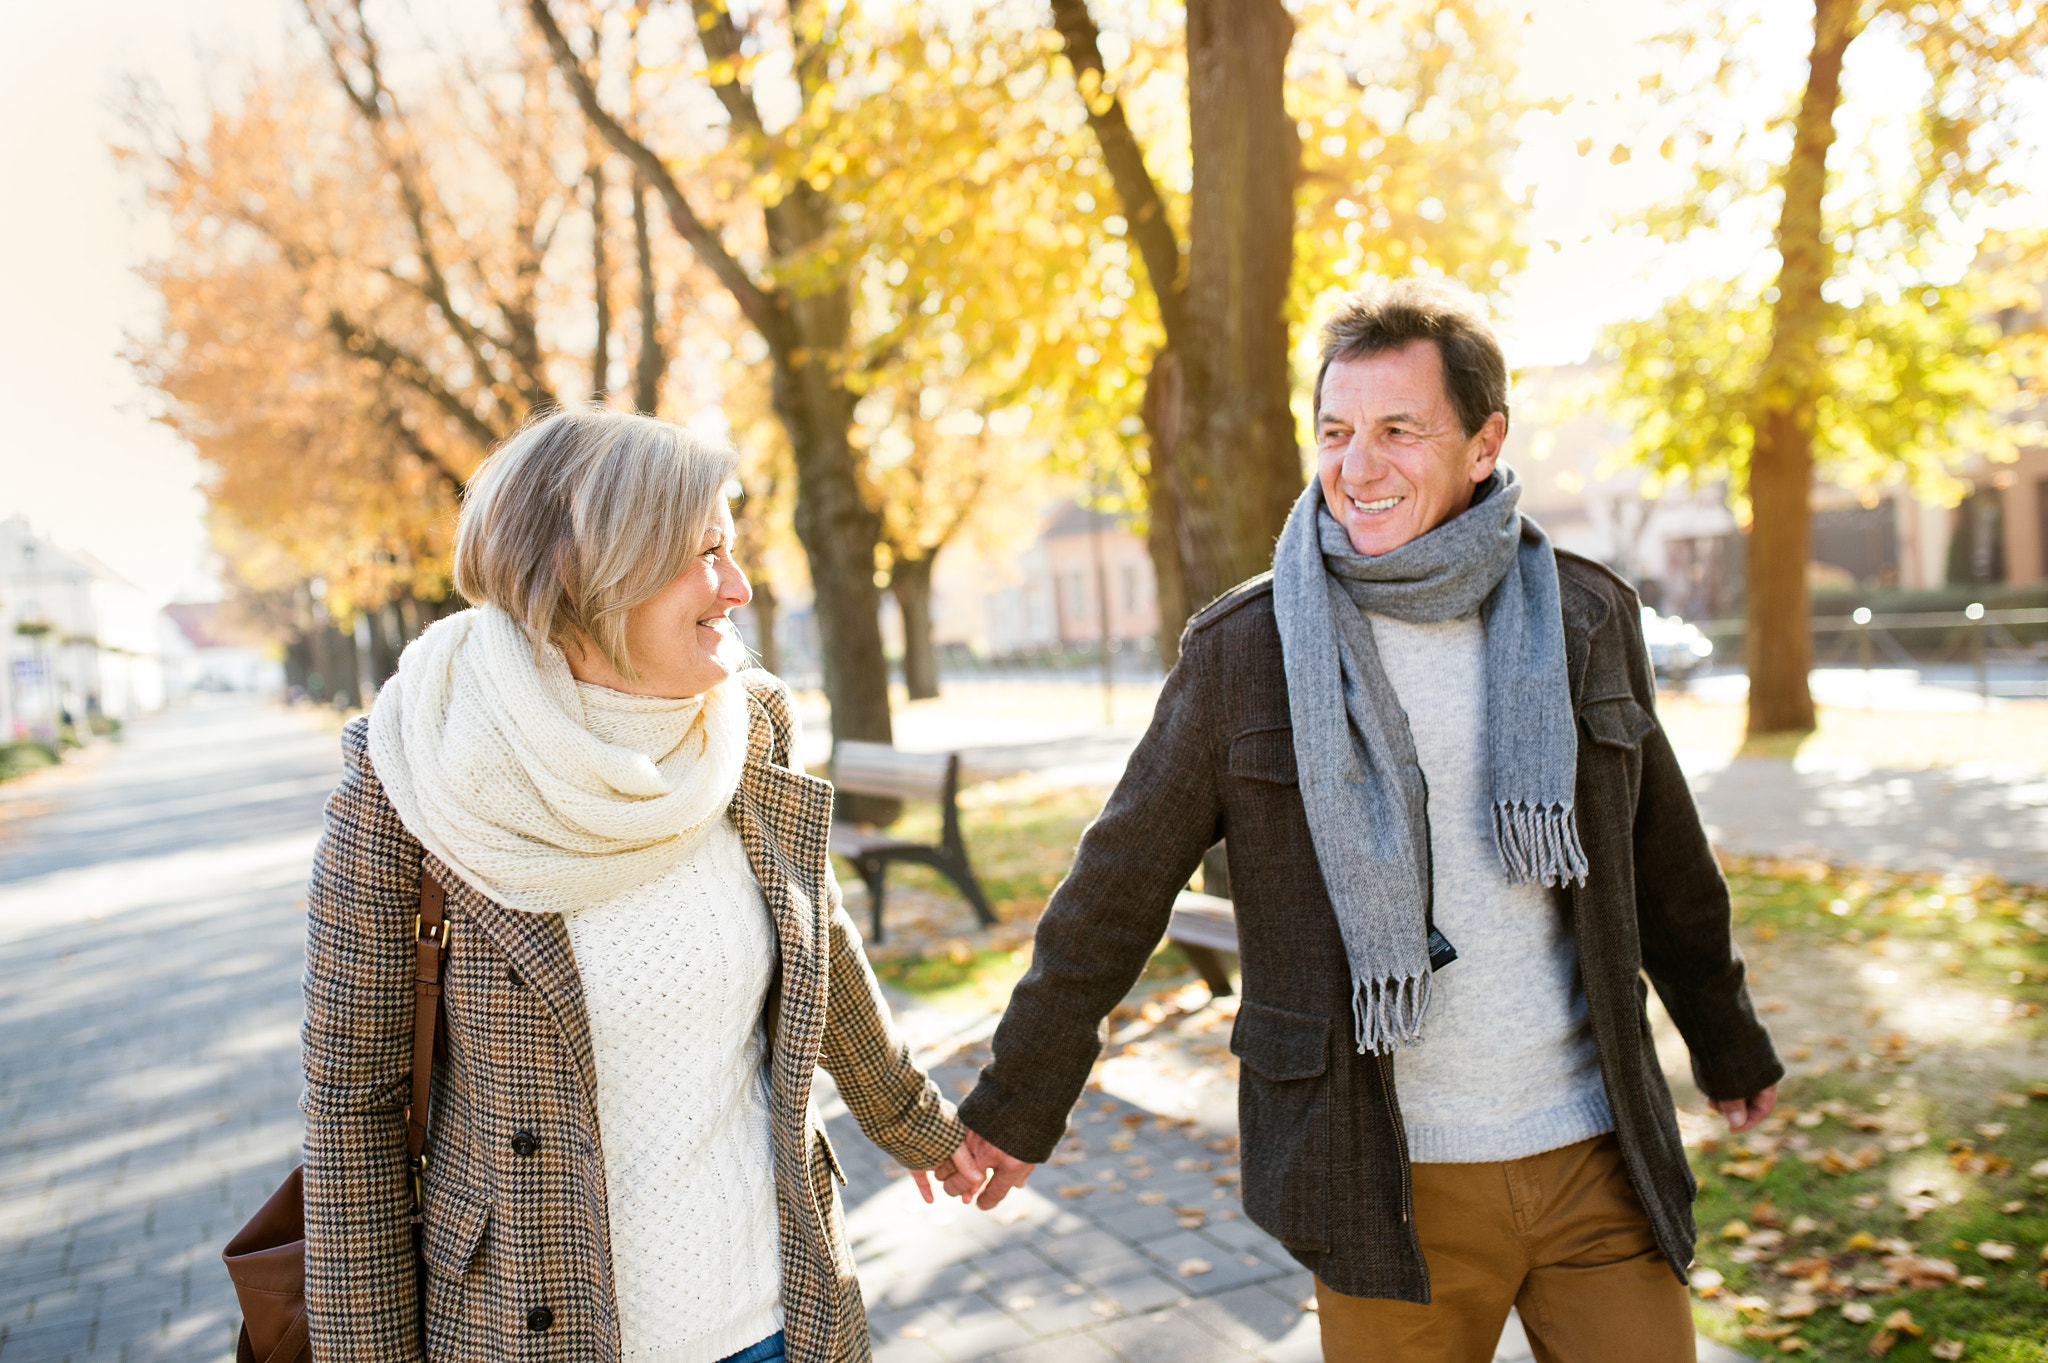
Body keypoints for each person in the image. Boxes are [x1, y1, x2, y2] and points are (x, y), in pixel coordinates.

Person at [943, 281, 1782, 1362]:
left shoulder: (1582, 616)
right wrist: (1016, 1102)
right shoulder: (1244, 652)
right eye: (1336, 431)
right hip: (1382, 1178)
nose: (1357, 465)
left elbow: (1662, 857)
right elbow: (1114, 889)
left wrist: (1725, 1040)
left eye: (1398, 429)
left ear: (1483, 443)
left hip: (1593, 1154)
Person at [302, 408, 972, 1363]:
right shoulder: (414, 766)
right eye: (706, 554)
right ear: (590, 574)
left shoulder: (746, 723)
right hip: (532, 1331)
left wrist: (917, 1124)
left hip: (777, 1317)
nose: (738, 588)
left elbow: (816, 940)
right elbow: (351, 1109)